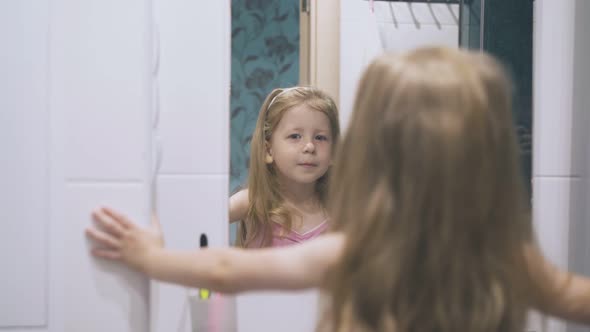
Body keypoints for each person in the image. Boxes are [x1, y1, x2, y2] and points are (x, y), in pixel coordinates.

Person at [87, 47, 590, 331]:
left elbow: (226, 267)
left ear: (372, 150)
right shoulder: (507, 261)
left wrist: (149, 258)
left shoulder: (361, 252)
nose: (310, 148)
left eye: (321, 137)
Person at [230, 86, 340, 247]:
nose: (309, 146)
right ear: (268, 150)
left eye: (320, 137)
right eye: (295, 136)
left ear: (333, 153)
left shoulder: (338, 209)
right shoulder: (252, 201)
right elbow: (200, 221)